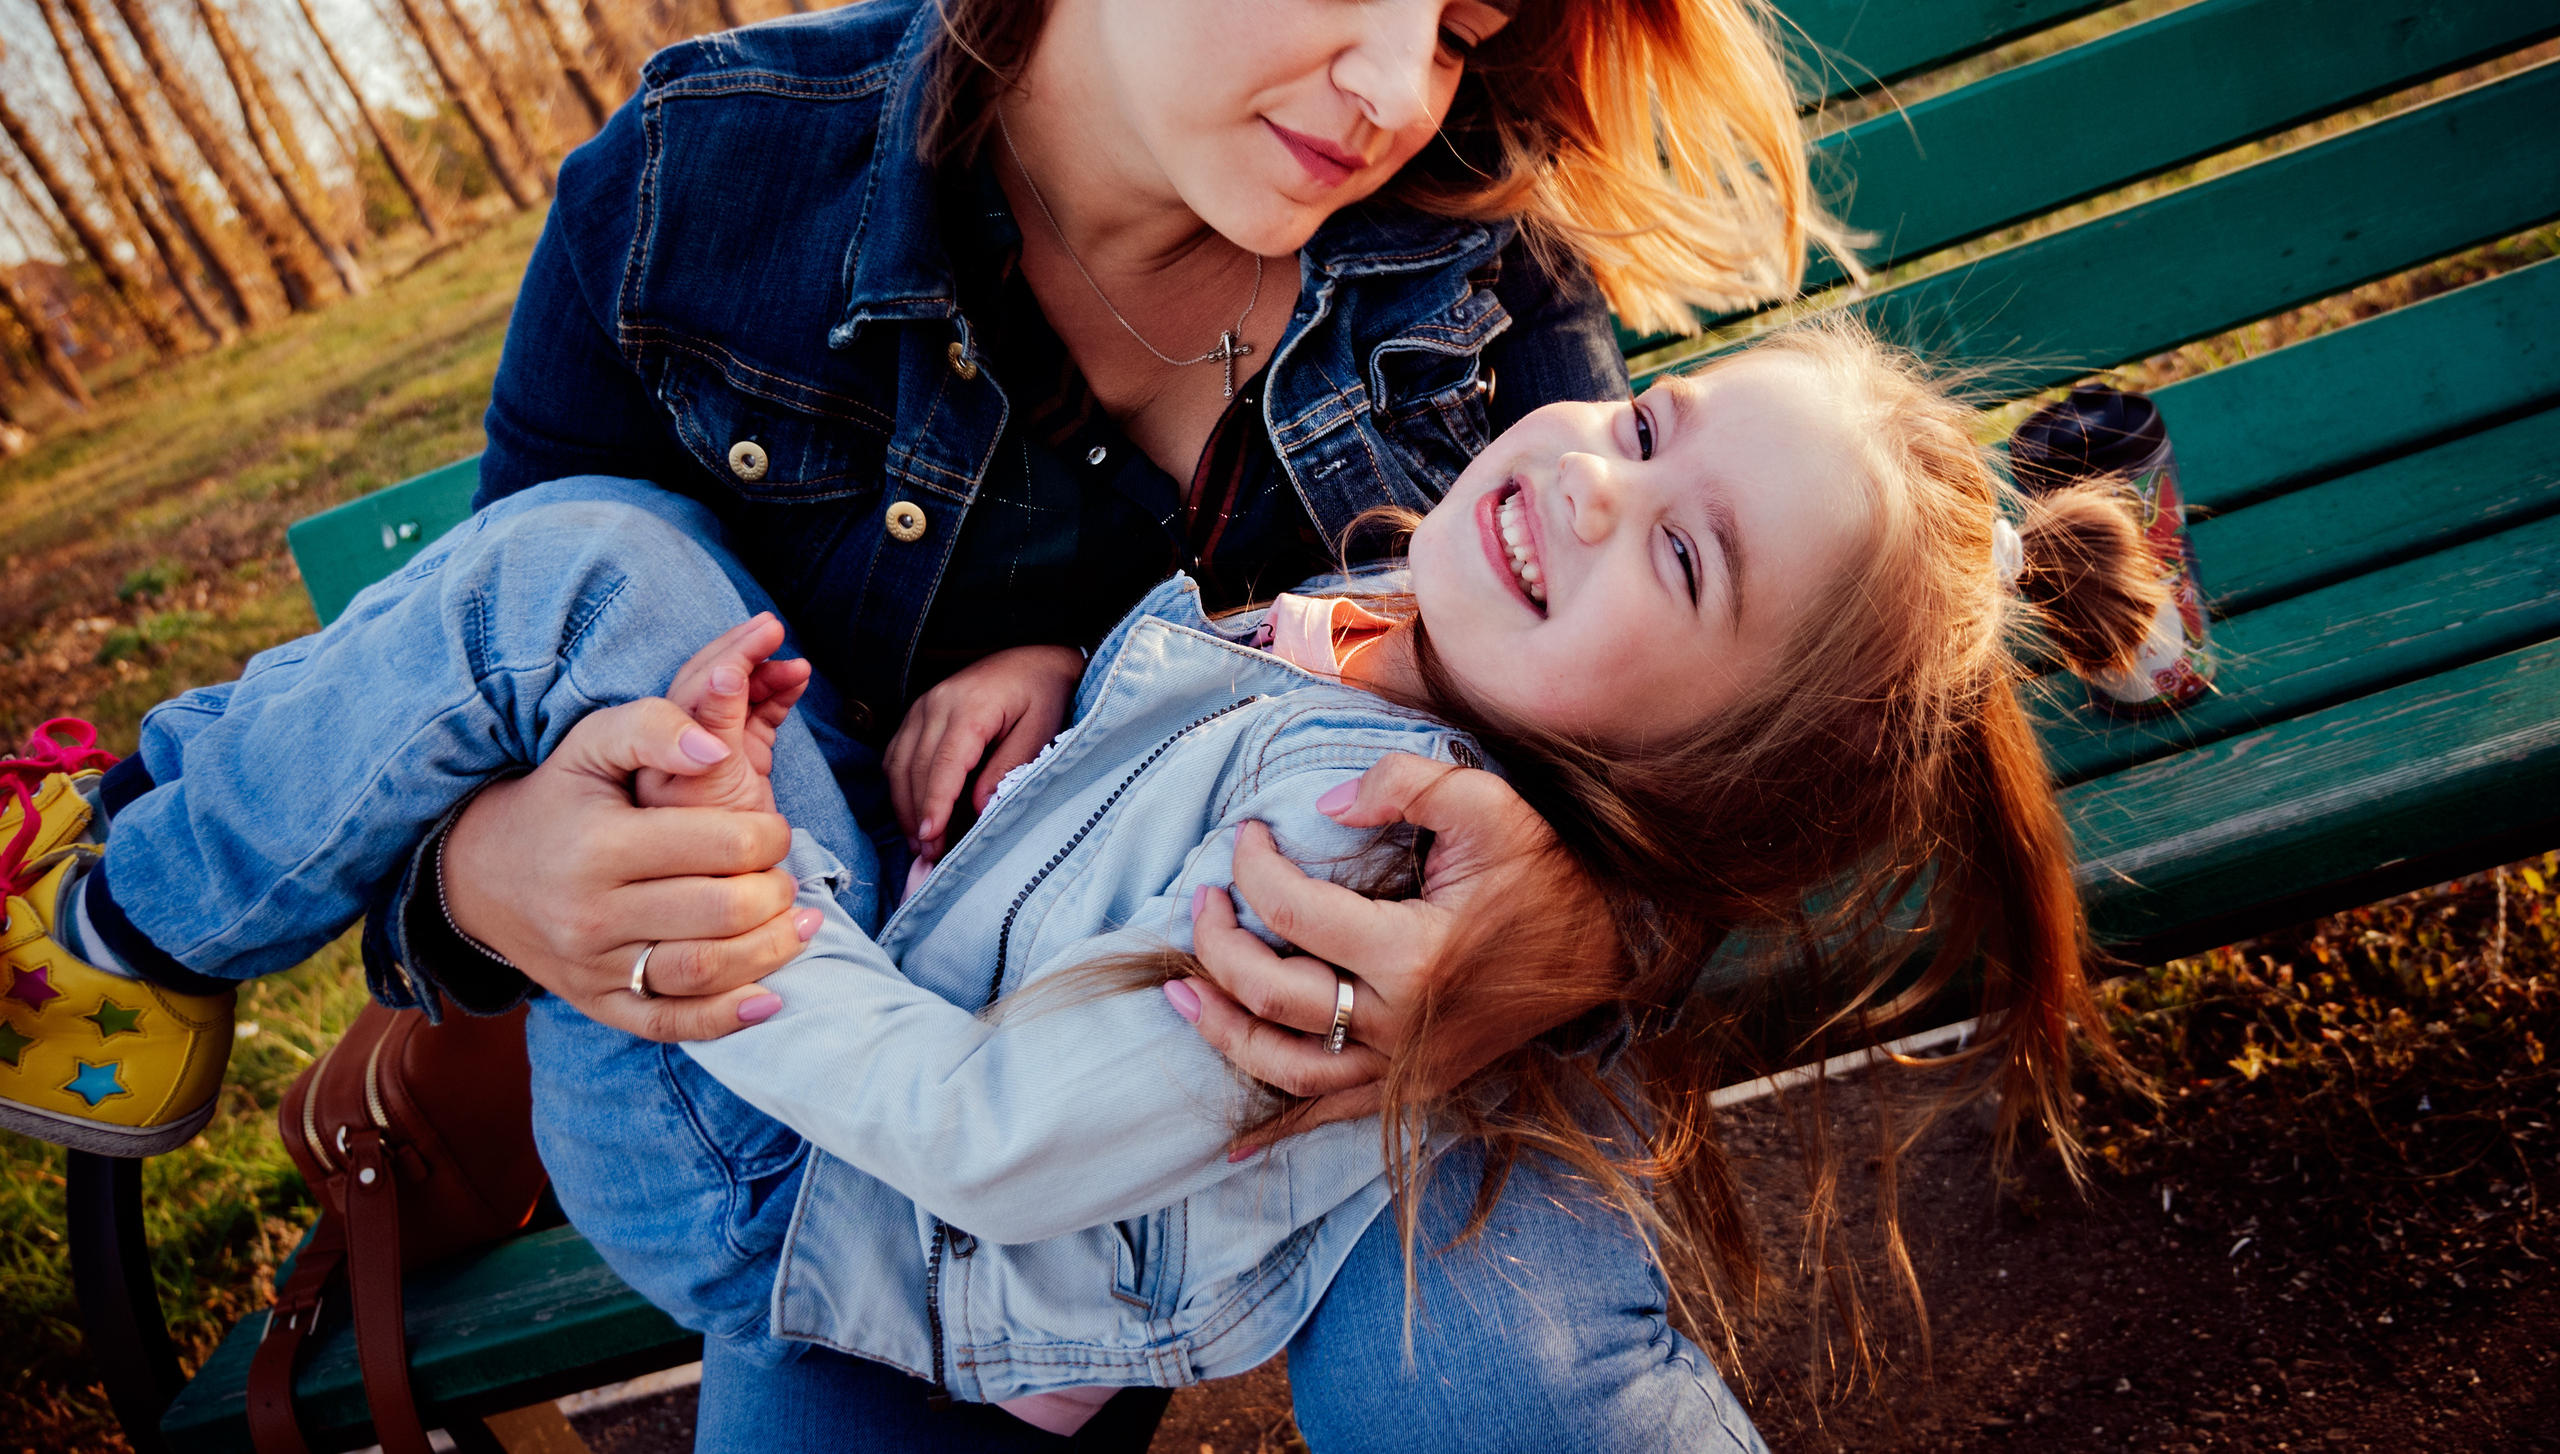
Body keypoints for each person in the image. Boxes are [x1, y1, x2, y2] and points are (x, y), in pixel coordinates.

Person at [307, 0, 1837, 1445]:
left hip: (1400, 1076)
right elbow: (457, 721)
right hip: (898, 1096)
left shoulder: (1469, 254)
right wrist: (486, 881)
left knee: (1515, 1392)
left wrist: (1588, 928)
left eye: (1460, 26)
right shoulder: (695, 206)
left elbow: (1720, 729)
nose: (1392, 88)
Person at [3, 323, 2159, 1450]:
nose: (1591, 484)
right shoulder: (1392, 640)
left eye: (1678, 555)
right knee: (600, 570)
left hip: (802, 1166)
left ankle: (117, 929)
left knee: (579, 563)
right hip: (850, 1046)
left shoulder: (1360, 869)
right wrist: (1045, 667)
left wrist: (741, 927)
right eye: (1655, 425)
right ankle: (144, 921)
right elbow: (1185, 731)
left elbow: (995, 1140)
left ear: (1680, 788)